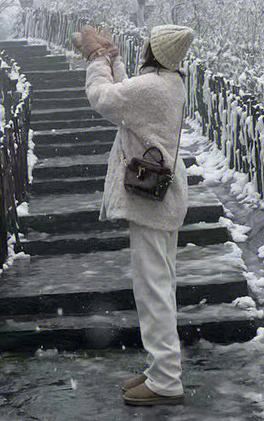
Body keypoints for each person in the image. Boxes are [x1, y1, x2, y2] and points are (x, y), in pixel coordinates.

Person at [72, 22, 195, 407]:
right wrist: (115, 58)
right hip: (162, 200)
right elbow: (131, 100)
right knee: (159, 286)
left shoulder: (153, 88)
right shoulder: (168, 82)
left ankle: (165, 380)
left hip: (151, 204)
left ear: (154, 51)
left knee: (153, 290)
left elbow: (103, 97)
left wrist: (96, 59)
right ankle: (160, 368)